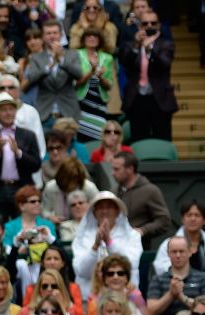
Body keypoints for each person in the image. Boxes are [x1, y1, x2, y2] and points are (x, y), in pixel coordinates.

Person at [0, 92, 41, 219]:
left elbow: (36, 165)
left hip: (21, 187)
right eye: (3, 110)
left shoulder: (28, 135)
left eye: (11, 109)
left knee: (22, 224)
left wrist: (19, 153)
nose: (8, 113)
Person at [119, 10, 177, 141]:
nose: (149, 25)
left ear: (159, 25)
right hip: (137, 99)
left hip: (160, 100)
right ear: (140, 26)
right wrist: (137, 46)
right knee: (138, 140)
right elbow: (125, 63)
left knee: (163, 139)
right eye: (145, 23)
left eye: (153, 23)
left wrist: (149, 48)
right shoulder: (130, 44)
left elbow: (164, 64)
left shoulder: (166, 44)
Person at [71, 191, 142, 298]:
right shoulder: (81, 237)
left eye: (109, 207)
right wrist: (95, 246)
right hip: (90, 299)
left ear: (117, 211)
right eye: (100, 208)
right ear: (94, 212)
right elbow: (81, 271)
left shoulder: (132, 235)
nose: (104, 211)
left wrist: (110, 243)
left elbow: (131, 264)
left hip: (124, 298)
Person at [148, 236, 205, 315]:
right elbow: (149, 312)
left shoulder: (202, 278)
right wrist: (170, 294)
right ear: (168, 254)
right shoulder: (158, 280)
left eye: (181, 251)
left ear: (190, 252)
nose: (178, 255)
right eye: (174, 252)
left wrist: (182, 297)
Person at [26, 20, 83, 124]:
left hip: (68, 112)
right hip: (45, 113)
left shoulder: (72, 54)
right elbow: (31, 78)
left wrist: (61, 59)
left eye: (55, 33)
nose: (52, 36)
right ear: (43, 37)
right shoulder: (36, 57)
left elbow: (79, 75)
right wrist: (49, 67)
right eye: (48, 33)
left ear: (61, 35)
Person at [111, 152, 171, 249]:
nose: (112, 173)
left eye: (116, 169)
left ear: (130, 169)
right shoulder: (114, 191)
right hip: (114, 248)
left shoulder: (150, 191)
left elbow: (164, 221)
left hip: (140, 250)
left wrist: (143, 230)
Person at [74, 28, 115, 141]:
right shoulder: (76, 55)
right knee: (80, 134)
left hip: (99, 101)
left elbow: (109, 85)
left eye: (95, 36)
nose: (92, 38)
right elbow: (74, 83)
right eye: (89, 36)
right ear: (84, 39)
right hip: (81, 100)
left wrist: (100, 77)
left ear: (100, 39)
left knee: (98, 134)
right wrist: (91, 72)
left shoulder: (107, 57)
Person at [154, 200, 205, 275]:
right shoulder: (169, 243)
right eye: (189, 215)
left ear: (204, 220)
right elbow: (160, 267)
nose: (193, 219)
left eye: (197, 215)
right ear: (182, 219)